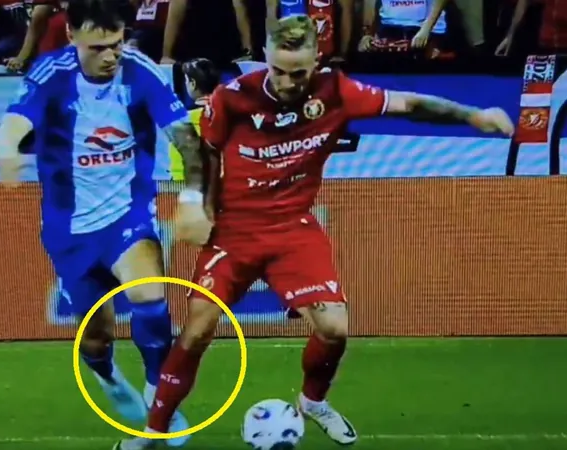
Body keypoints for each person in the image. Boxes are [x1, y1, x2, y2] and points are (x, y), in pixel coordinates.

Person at [116, 14, 514, 450]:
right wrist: (198, 203)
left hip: (293, 229)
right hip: (234, 231)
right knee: (197, 330)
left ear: (317, 62)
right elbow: (204, 155)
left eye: (299, 73)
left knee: (334, 328)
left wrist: (475, 116)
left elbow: (410, 105)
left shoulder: (336, 92)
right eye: (279, 71)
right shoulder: (232, 99)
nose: (288, 83)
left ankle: (313, 402)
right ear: (265, 56)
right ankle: (153, 430)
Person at [0, 0, 212, 447]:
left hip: (129, 214)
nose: (110, 56)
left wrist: (191, 199)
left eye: (116, 44)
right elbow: (13, 124)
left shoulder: (140, 72)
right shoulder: (51, 74)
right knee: (96, 338)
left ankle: (158, 395)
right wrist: (6, 149)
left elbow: (188, 141)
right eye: (98, 47)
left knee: (149, 295)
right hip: (69, 229)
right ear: (71, 35)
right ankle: (108, 377)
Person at [169, 58, 220, 181]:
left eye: (186, 81)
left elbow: (177, 166)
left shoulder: (182, 120)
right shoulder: (228, 114)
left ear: (192, 84)